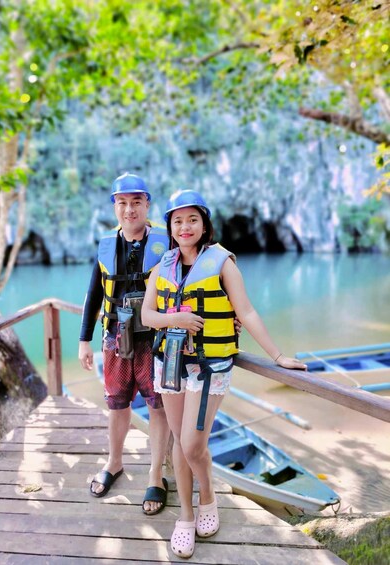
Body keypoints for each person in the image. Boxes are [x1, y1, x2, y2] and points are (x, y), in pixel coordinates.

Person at [141, 189, 308, 558]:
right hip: (169, 362)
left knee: (191, 444)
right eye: (177, 221)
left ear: (204, 225)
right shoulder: (163, 265)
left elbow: (246, 312)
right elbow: (147, 316)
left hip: (209, 366)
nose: (185, 227)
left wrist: (277, 356)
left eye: (192, 220)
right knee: (179, 446)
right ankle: (186, 515)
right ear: (169, 226)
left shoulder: (222, 261)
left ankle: (209, 494)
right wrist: (176, 319)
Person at [78, 172, 171, 515]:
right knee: (117, 404)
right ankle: (114, 462)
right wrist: (83, 340)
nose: (129, 210)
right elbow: (93, 295)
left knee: (157, 405)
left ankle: (155, 474)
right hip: (115, 335)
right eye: (122, 203)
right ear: (114, 207)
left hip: (155, 338)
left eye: (136, 202)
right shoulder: (105, 246)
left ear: (147, 204)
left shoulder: (168, 243)